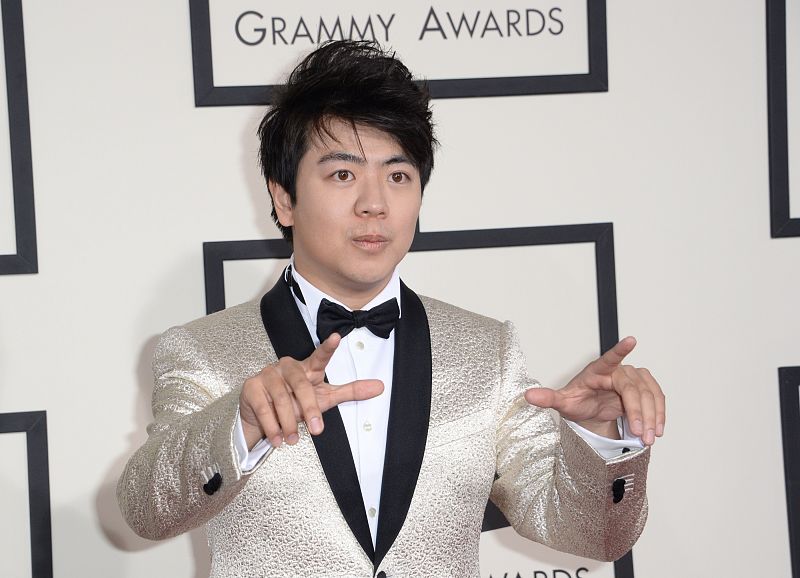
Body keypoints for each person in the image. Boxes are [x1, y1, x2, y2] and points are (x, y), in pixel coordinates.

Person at [118, 40, 665, 577]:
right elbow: (146, 510)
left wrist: (600, 438)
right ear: (284, 198)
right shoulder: (201, 351)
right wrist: (242, 422)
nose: (375, 203)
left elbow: (593, 537)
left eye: (398, 176)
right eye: (343, 174)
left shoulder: (487, 351)